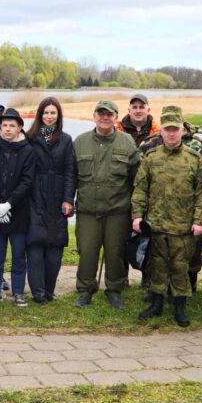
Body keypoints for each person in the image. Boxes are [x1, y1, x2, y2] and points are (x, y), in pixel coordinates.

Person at [132, 108, 202, 326]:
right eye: (167, 130)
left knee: (179, 267)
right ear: (162, 132)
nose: (172, 134)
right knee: (157, 265)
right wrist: (137, 216)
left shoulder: (193, 159)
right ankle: (156, 303)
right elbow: (140, 190)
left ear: (182, 130)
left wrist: (198, 220)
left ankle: (180, 307)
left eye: (175, 129)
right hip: (156, 224)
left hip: (182, 226)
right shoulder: (150, 157)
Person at [72, 100, 140, 309]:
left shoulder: (127, 142)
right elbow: (71, 177)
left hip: (117, 210)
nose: (104, 117)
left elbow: (136, 179)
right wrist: (67, 200)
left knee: (115, 252)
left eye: (109, 114)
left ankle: (114, 290)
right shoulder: (80, 142)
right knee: (87, 251)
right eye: (101, 114)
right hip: (87, 210)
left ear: (116, 117)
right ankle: (85, 290)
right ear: (94, 116)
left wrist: (136, 211)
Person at [0, 108, 35, 307]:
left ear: (20, 127)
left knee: (19, 256)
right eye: (4, 125)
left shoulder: (27, 150)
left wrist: (9, 204)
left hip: (18, 212)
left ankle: (18, 292)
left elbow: (27, 181)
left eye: (12, 125)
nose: (8, 129)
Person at [25, 97, 76, 304]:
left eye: (53, 113)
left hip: (57, 197)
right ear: (40, 115)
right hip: (34, 196)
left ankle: (49, 290)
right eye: (46, 113)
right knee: (35, 245)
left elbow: (70, 172)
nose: (49, 117)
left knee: (54, 247)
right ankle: (37, 291)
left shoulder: (65, 139)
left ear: (58, 116)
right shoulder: (29, 138)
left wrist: (68, 199)